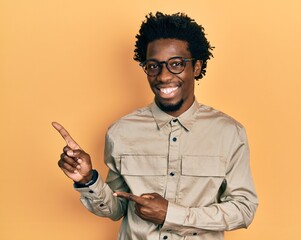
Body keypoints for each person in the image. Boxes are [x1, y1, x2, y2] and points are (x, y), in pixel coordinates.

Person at [53, 12, 258, 240]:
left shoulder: (228, 132)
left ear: (197, 67)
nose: (163, 76)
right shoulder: (121, 132)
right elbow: (117, 208)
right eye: (153, 66)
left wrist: (172, 215)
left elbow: (244, 209)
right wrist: (88, 179)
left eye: (176, 64)